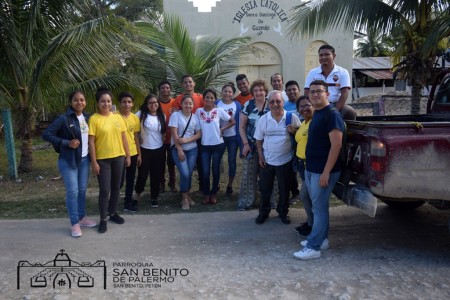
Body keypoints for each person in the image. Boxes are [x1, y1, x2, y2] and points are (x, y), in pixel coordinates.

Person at [293, 80, 345, 260]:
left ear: (327, 94)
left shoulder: (332, 115)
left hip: (323, 171)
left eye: (319, 92)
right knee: (317, 206)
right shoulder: (318, 113)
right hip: (312, 168)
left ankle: (313, 247)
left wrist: (326, 172)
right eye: (312, 92)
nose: (315, 95)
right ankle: (322, 239)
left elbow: (336, 145)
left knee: (319, 208)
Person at [42, 90, 96, 237]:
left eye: (82, 100)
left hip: (84, 160)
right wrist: (66, 142)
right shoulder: (63, 119)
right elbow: (46, 134)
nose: (79, 103)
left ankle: (82, 217)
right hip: (68, 160)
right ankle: (74, 224)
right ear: (71, 102)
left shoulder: (88, 117)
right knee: (73, 191)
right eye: (76, 100)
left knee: (82, 190)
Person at [254, 90, 300, 225]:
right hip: (267, 161)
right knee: (265, 189)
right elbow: (258, 140)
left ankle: (283, 212)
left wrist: (294, 131)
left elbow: (300, 138)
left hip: (286, 160)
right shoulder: (264, 119)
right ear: (268, 104)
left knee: (285, 190)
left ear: (283, 103)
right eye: (272, 101)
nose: (275, 104)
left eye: (278, 101)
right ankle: (264, 213)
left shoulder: (292, 118)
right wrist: (260, 157)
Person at [88, 87, 130, 234]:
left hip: (118, 157)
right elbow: (91, 142)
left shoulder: (118, 117)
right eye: (102, 101)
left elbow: (124, 137)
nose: (106, 104)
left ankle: (112, 213)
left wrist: (128, 155)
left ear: (111, 102)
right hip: (102, 160)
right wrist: (94, 162)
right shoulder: (94, 119)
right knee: (105, 190)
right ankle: (103, 219)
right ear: (98, 103)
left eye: (108, 101)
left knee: (116, 188)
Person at [237, 79, 278, 211]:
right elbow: (242, 126)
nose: (258, 92)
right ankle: (246, 202)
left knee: (271, 174)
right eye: (255, 90)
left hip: (269, 146)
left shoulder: (271, 104)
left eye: (261, 90)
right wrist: (245, 144)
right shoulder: (248, 105)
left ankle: (272, 201)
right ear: (252, 92)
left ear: (265, 91)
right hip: (251, 145)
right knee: (249, 174)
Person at [196, 88, 235, 204]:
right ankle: (206, 193)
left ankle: (213, 193)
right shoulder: (198, 111)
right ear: (203, 99)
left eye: (212, 98)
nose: (209, 99)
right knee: (205, 171)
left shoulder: (219, 111)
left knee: (216, 170)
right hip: (204, 146)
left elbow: (232, 121)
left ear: (215, 99)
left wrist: (222, 129)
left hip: (218, 145)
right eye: (207, 97)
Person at [304, 44, 356, 120]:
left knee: (350, 111)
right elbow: (307, 92)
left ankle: (348, 131)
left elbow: (344, 93)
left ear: (334, 56)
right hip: (317, 104)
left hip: (336, 105)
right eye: (321, 55)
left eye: (327, 54)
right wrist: (314, 107)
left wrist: (334, 111)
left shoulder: (342, 72)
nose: (323, 57)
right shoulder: (312, 73)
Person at [169, 95, 202, 210]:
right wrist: (179, 150)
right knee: (185, 173)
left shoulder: (195, 117)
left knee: (189, 174)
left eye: (190, 104)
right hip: (178, 149)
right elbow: (174, 134)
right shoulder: (175, 115)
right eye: (186, 103)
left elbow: (198, 133)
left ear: (193, 105)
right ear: (181, 105)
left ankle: (187, 195)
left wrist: (187, 140)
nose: (188, 106)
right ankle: (184, 198)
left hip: (192, 149)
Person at [135, 94, 166, 208]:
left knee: (156, 175)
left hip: (159, 150)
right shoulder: (140, 114)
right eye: (150, 103)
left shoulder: (162, 115)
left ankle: (154, 198)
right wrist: (138, 136)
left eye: (155, 102)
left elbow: (163, 132)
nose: (153, 105)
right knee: (142, 175)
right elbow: (131, 125)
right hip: (144, 150)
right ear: (146, 104)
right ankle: (137, 195)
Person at [293, 96, 315, 237]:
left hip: (311, 165)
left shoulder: (315, 122)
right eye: (301, 107)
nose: (304, 108)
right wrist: (294, 130)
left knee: (308, 196)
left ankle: (314, 227)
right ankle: (311, 222)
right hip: (302, 164)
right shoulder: (304, 123)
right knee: (307, 196)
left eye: (307, 105)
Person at [216, 82, 242, 195]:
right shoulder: (216, 103)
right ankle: (216, 185)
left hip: (232, 137)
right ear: (221, 92)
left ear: (233, 93)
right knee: (216, 161)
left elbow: (239, 121)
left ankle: (230, 185)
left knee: (231, 161)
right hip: (219, 137)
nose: (227, 93)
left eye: (230, 91)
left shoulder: (237, 105)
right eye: (225, 91)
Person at [118, 91, 141, 213]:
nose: (126, 104)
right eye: (124, 102)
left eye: (129, 102)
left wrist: (139, 154)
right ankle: (111, 202)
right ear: (120, 103)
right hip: (118, 153)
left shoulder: (134, 118)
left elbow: (136, 136)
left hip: (132, 153)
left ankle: (128, 202)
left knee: (131, 179)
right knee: (119, 180)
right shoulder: (115, 116)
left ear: (132, 104)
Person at [284, 80, 302, 203]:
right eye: (289, 90)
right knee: (291, 169)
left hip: (304, 141)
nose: (292, 92)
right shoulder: (284, 106)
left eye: (294, 89)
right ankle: (295, 193)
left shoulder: (304, 104)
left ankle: (307, 193)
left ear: (298, 90)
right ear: (285, 92)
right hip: (290, 141)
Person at [158, 80, 177, 193]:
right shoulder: (156, 103)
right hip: (159, 139)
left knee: (171, 162)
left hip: (172, 138)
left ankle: (172, 183)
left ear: (170, 89)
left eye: (167, 87)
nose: (165, 90)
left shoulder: (175, 102)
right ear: (159, 90)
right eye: (163, 88)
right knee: (160, 163)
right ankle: (161, 184)